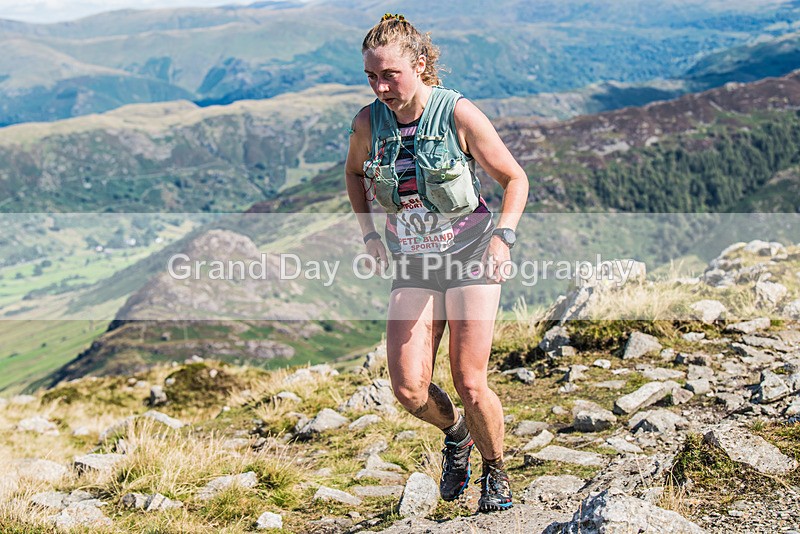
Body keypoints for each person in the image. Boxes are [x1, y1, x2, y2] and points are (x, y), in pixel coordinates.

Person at [345, 13, 528, 513]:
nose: (381, 87)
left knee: (470, 381)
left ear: (420, 65)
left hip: (470, 253)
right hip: (412, 262)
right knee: (407, 388)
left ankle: (496, 471)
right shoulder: (368, 122)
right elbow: (354, 174)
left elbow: (515, 179)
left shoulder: (457, 114)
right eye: (371, 77)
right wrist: (368, 234)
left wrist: (503, 240)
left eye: (390, 75)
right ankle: (456, 434)